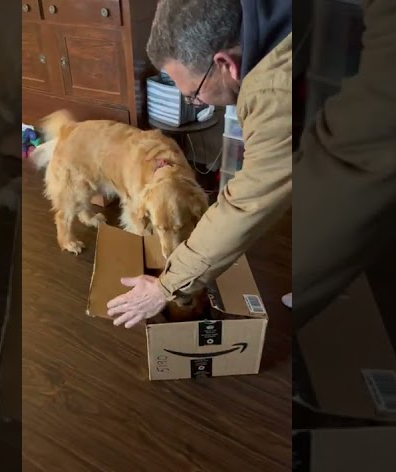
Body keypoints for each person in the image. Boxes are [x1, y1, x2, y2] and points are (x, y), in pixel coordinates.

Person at [106, 0, 292, 328]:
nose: (197, 102)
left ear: (226, 64)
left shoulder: (276, 91)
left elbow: (248, 203)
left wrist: (166, 286)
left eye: (194, 94)